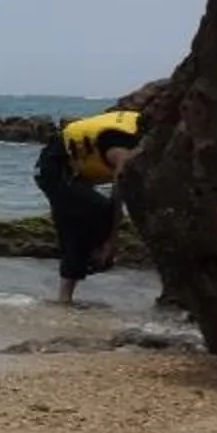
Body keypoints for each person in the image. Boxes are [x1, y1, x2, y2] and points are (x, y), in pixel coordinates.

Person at [36, 110, 141, 306]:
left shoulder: (135, 130)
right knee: (101, 212)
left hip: (72, 169)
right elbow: (119, 194)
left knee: (76, 226)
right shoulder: (124, 149)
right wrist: (111, 240)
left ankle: (64, 299)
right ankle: (96, 255)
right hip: (53, 166)